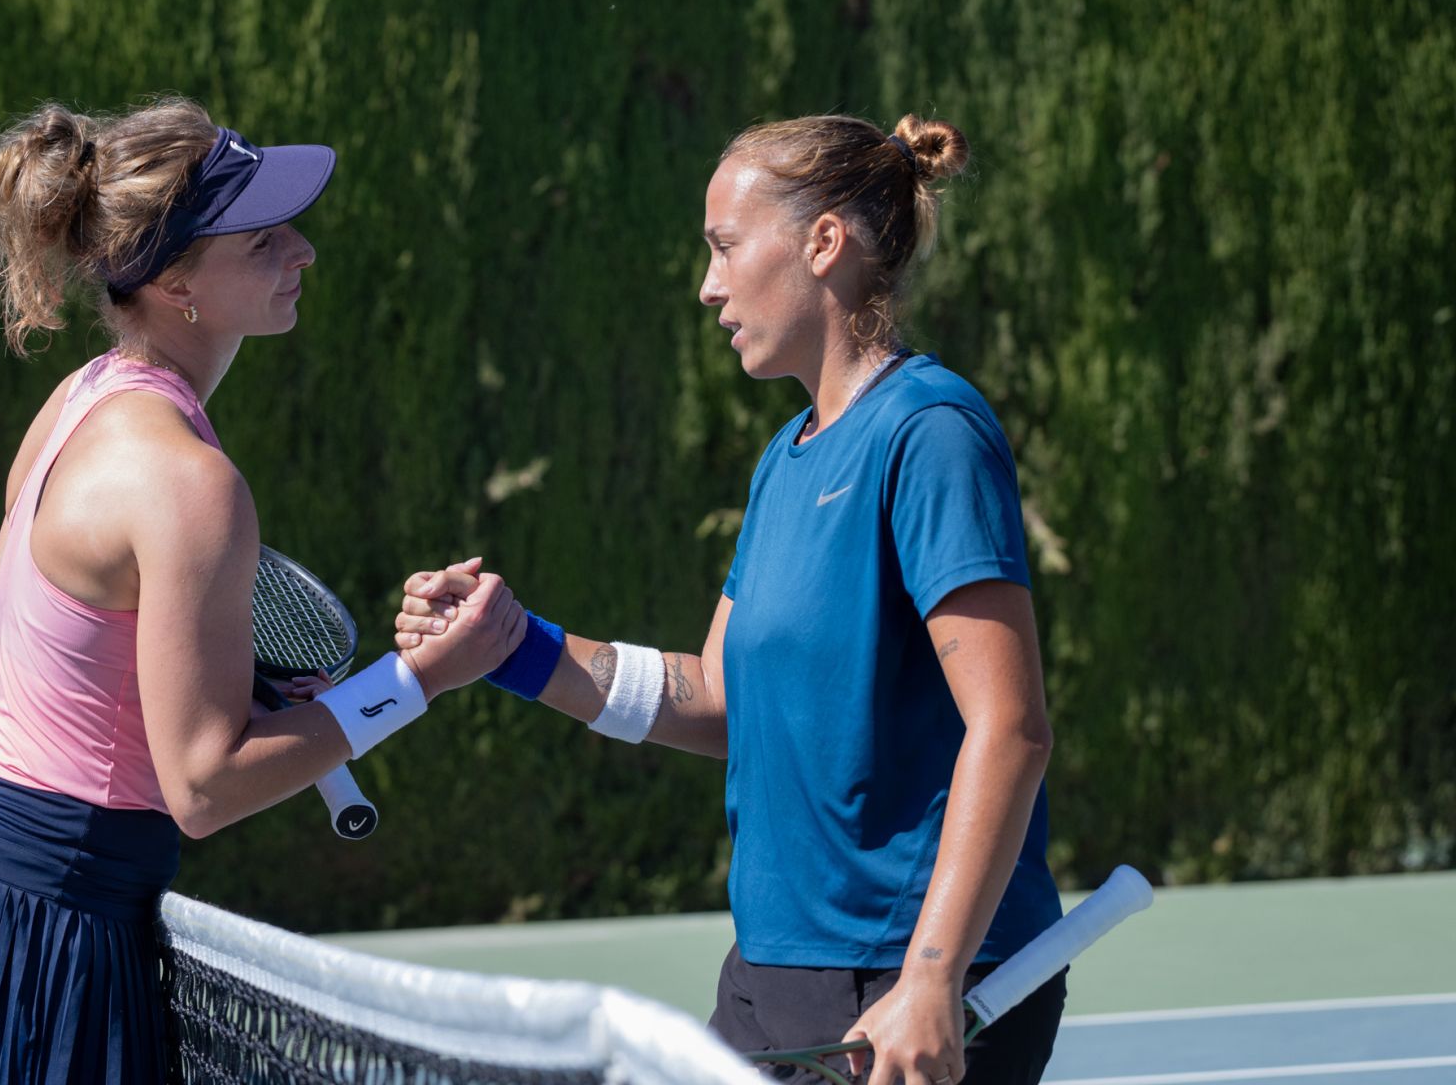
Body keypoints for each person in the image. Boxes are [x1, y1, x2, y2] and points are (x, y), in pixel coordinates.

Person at [0, 97, 523, 1085]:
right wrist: (420, 680)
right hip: (54, 936)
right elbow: (203, 787)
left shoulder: (78, 399)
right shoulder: (189, 483)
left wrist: (212, 683)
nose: (301, 250)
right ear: (174, 280)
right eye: (261, 240)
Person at [397, 114, 1065, 1085]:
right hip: (773, 970)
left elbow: (1010, 726)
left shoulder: (932, 433)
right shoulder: (783, 460)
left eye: (724, 244)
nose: (708, 284)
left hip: (901, 975)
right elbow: (717, 697)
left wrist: (930, 974)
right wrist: (514, 646)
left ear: (823, 242)